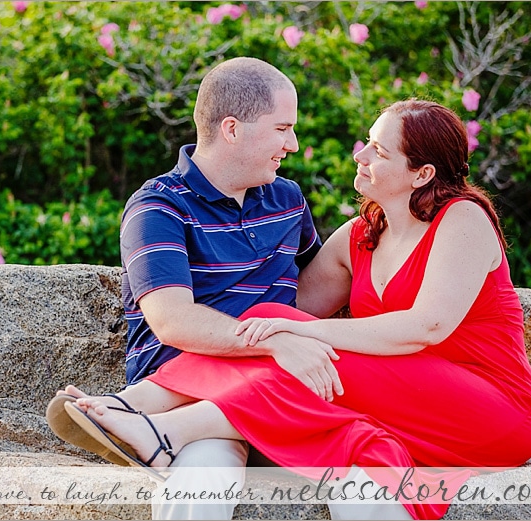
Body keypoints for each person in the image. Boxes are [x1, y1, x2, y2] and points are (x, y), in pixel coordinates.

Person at [55, 99, 531, 520]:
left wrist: (299, 339)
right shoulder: (360, 237)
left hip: (490, 407)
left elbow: (425, 327)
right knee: (275, 320)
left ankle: (158, 426)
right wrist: (280, 334)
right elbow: (284, 309)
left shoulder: (462, 218)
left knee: (290, 336)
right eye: (367, 141)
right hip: (404, 398)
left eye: (378, 150)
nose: (360, 154)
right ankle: (142, 407)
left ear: (421, 173)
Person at [47, 56, 328, 520]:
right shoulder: (158, 207)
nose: (292, 144)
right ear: (233, 129)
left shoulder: (287, 200)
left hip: (274, 394)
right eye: (282, 129)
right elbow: (172, 321)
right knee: (205, 479)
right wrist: (279, 344)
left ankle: (126, 414)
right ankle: (142, 424)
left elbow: (322, 283)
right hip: (187, 395)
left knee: (369, 475)